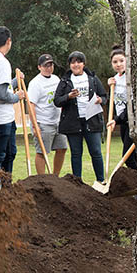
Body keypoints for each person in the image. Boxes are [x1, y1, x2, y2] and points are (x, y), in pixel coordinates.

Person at [53, 51, 106, 182]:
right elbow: (57, 100)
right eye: (73, 62)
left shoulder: (92, 78)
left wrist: (101, 100)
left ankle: (101, 180)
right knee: (76, 153)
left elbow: (104, 96)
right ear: (69, 65)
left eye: (79, 61)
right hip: (73, 122)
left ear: (84, 63)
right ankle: (78, 183)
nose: (76, 65)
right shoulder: (65, 81)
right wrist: (68, 97)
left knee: (96, 152)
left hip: (91, 120)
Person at [0, 26, 24, 173]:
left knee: (2, 155)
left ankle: (1, 188)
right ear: (8, 41)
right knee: (3, 156)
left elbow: (0, 86)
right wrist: (17, 97)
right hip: (1, 118)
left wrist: (15, 81)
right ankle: (0, 190)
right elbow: (1, 93)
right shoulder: (2, 62)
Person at [27, 54, 68, 176]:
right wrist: (35, 126)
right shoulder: (35, 83)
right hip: (43, 123)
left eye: (51, 65)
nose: (49, 68)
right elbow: (31, 105)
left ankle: (55, 177)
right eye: (46, 65)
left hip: (58, 121)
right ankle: (43, 179)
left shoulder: (56, 79)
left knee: (62, 148)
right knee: (42, 152)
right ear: (39, 67)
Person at [106, 46, 137, 170]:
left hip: (132, 121)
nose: (118, 64)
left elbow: (132, 105)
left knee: (128, 156)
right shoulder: (115, 79)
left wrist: (116, 120)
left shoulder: (131, 78)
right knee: (131, 156)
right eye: (115, 62)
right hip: (123, 121)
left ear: (127, 61)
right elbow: (115, 101)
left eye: (121, 61)